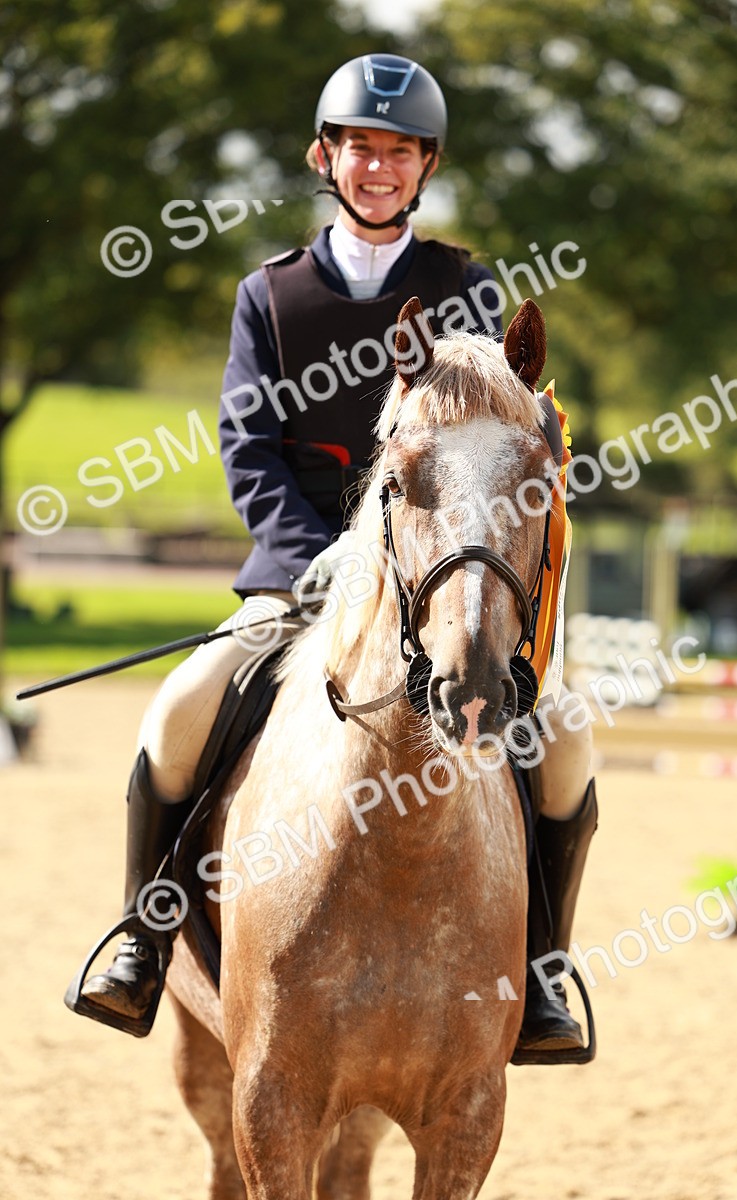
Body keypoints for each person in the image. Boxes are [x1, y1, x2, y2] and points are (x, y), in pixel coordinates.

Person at [68, 53, 597, 1063]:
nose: (378, 168)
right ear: (326, 158)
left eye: (399, 152)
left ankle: (540, 972)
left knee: (564, 744)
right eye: (361, 148)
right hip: (299, 572)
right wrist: (313, 555)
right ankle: (141, 938)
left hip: (437, 577)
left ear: (426, 166)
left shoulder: (467, 289)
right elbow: (247, 447)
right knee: (179, 709)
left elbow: (492, 443)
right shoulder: (268, 295)